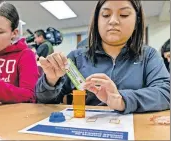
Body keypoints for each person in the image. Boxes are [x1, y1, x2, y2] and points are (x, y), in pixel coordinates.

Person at [35, 0, 170, 114]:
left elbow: (166, 93)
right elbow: (45, 101)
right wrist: (51, 81)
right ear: (97, 20)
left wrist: (122, 99)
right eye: (105, 15)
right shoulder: (77, 57)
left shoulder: (148, 55)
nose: (113, 21)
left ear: (137, 21)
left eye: (124, 14)